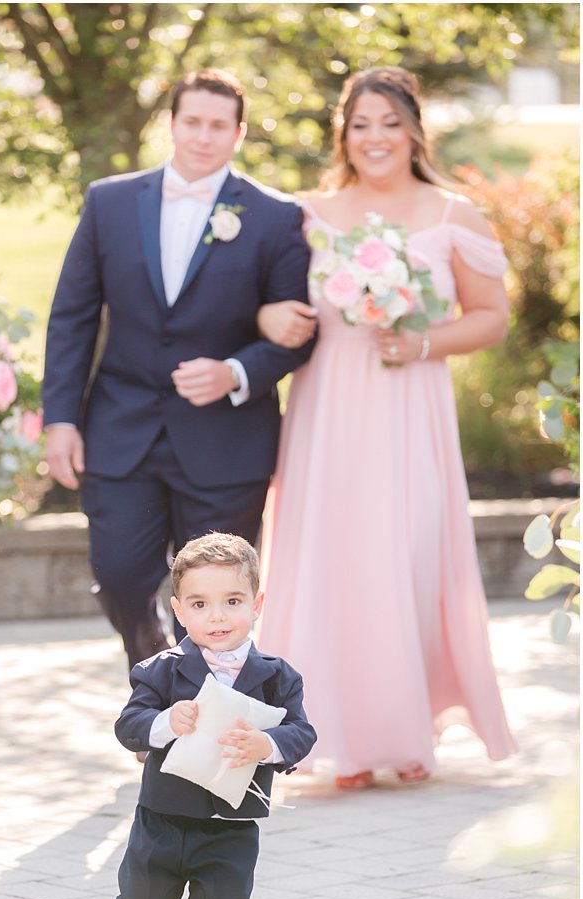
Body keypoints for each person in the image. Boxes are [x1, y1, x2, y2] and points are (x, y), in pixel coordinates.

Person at [253, 67, 515, 790]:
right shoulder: (304, 213)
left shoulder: (451, 214)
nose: (375, 137)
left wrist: (424, 340)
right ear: (343, 133)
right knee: (336, 561)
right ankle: (337, 736)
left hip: (410, 408)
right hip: (328, 409)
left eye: (389, 123)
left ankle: (405, 731)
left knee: (408, 556)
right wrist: (269, 318)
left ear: (413, 131)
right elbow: (261, 300)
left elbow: (491, 315)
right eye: (360, 123)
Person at [43, 69, 316, 671]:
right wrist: (59, 419)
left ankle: (194, 721)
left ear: (239, 133)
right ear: (171, 124)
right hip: (121, 432)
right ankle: (159, 675)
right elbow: (72, 318)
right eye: (192, 121)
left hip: (225, 442)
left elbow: (298, 334)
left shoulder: (275, 217)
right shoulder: (109, 202)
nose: (203, 136)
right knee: (118, 577)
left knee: (217, 600)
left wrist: (235, 372)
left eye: (219, 125)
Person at [112, 532, 317, 899]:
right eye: (201, 605)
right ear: (179, 612)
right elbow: (129, 725)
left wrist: (265, 745)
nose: (218, 617)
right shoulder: (159, 672)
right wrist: (165, 722)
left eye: (232, 602)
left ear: (257, 604)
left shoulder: (275, 677)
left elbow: (301, 732)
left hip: (232, 823)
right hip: (163, 817)